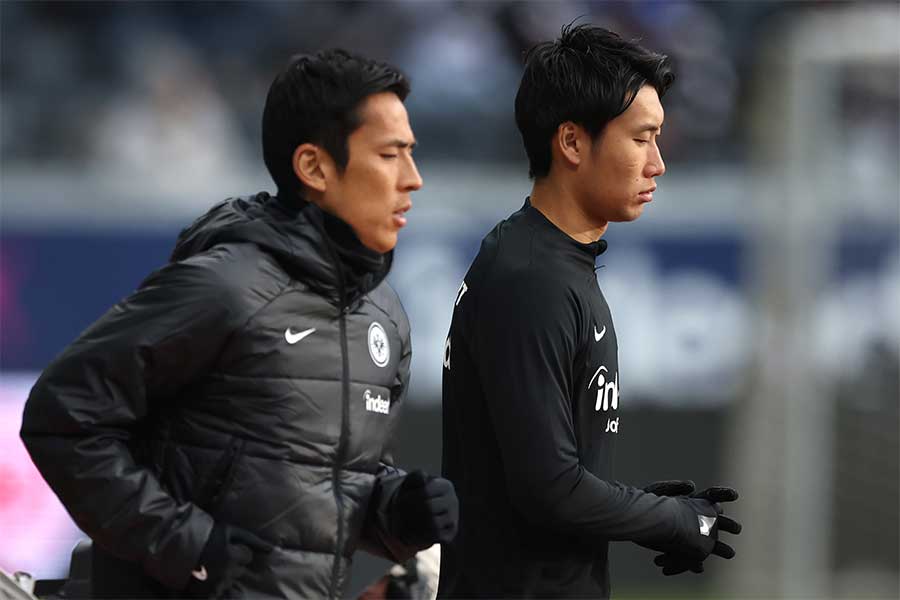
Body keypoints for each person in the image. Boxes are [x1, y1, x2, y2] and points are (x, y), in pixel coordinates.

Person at [20, 49, 459, 600]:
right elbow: (62, 415)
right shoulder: (223, 286)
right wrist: (187, 546)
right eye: (390, 155)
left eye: (411, 154)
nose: (413, 179)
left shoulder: (384, 313)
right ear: (314, 167)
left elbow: (323, 487)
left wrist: (395, 508)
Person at [438, 24, 741, 598]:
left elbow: (539, 478)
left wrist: (645, 510)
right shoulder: (531, 278)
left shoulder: (552, 261)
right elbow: (548, 489)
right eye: (641, 138)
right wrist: (670, 520)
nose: (658, 164)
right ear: (573, 143)